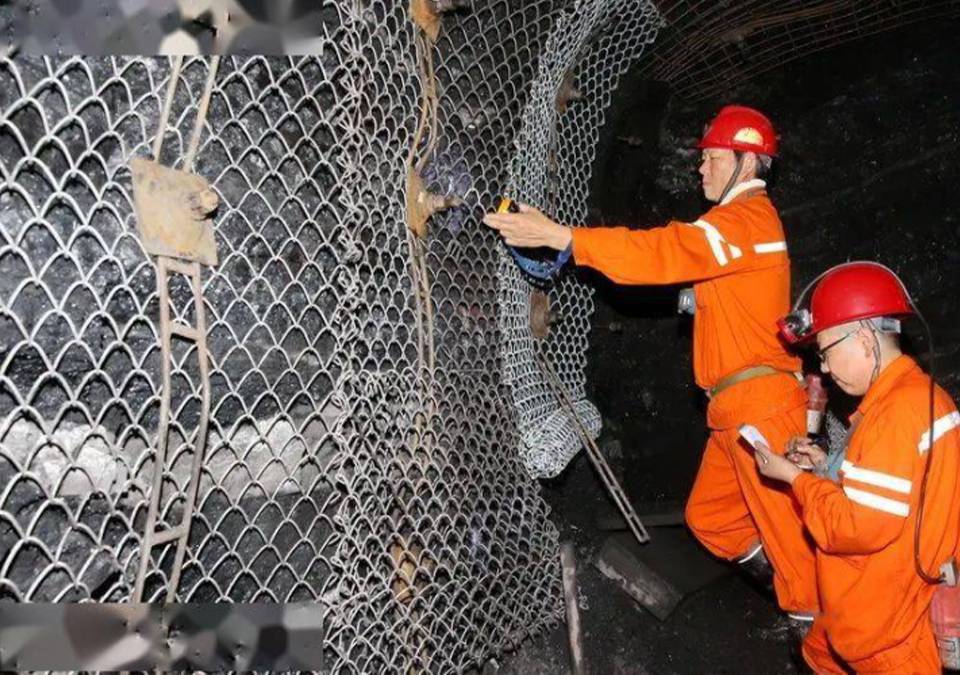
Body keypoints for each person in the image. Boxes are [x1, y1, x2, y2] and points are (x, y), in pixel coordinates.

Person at [484, 105, 818, 618]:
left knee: (798, 561)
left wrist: (565, 237)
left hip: (761, 408)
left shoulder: (747, 221)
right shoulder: (739, 229)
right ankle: (796, 588)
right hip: (733, 408)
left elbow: (667, 251)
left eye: (711, 158)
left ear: (747, 162)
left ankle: (815, 618)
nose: (700, 168)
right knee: (711, 518)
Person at [755, 262, 960, 673]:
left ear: (865, 340)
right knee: (817, 653)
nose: (824, 368)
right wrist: (823, 468)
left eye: (826, 351)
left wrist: (795, 479)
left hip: (886, 627)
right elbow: (897, 493)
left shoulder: (895, 414)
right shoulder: (919, 397)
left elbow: (854, 527)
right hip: (879, 603)